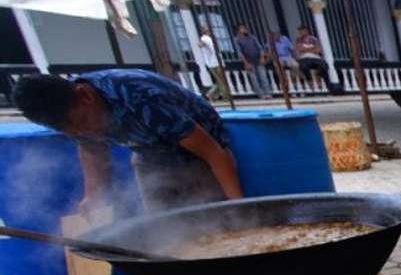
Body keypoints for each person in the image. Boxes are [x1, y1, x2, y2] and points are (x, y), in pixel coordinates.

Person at [13, 71, 242, 213]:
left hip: (197, 151)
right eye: (71, 130)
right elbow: (91, 148)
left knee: (214, 216)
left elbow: (214, 153)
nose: (84, 131)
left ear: (85, 95)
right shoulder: (67, 111)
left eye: (83, 121)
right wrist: (93, 195)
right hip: (148, 152)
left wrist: (239, 208)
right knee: (162, 226)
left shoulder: (140, 98)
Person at [235, 23, 271, 99]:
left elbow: (260, 48)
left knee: (263, 76)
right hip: (249, 60)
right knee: (254, 78)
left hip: (257, 58)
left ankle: (268, 93)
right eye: (242, 28)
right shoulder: (237, 40)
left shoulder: (252, 37)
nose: (244, 30)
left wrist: (262, 57)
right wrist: (246, 63)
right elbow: (240, 52)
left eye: (245, 28)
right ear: (238, 30)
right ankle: (261, 94)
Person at [295, 26, 327, 92]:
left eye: (302, 31)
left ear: (307, 31)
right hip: (304, 57)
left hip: (315, 57)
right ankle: (310, 82)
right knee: (304, 67)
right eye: (300, 32)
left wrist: (305, 50)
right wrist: (312, 49)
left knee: (324, 65)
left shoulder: (314, 39)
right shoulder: (298, 40)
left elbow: (318, 50)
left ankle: (319, 80)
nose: (301, 33)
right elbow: (298, 49)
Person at [196, 29, 224, 101]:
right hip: (213, 63)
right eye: (208, 31)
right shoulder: (205, 38)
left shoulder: (210, 39)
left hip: (215, 62)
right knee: (221, 80)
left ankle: (213, 95)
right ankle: (212, 94)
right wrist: (203, 45)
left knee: (220, 80)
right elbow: (200, 44)